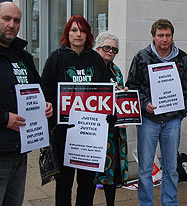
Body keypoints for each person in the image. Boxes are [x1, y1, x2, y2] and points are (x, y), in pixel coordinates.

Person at [41, 15, 113, 206]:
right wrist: (48, 105)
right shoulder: (56, 57)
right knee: (64, 183)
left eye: (81, 30)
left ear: (88, 33)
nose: (78, 34)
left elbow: (105, 91)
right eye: (74, 30)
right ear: (67, 33)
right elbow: (45, 90)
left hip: (89, 133)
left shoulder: (96, 59)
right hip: (64, 132)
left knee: (87, 183)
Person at [0, 2, 53, 206]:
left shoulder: (23, 56)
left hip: (21, 150)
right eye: (6, 19)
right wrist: (4, 117)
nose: (12, 25)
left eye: (16, 20)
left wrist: (46, 104)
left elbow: (38, 88)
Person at [126, 18, 187, 206]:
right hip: (148, 119)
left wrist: (180, 113)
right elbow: (131, 86)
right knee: (146, 168)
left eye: (168, 35)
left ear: (172, 36)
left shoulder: (183, 58)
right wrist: (144, 103)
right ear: (153, 37)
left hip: (173, 121)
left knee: (171, 168)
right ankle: (145, 203)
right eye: (160, 35)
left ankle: (170, 203)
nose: (164, 39)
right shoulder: (141, 57)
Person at [93, 31, 128, 206]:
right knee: (90, 175)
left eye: (114, 49)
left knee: (112, 172)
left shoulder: (116, 71)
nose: (110, 51)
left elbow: (120, 97)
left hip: (113, 132)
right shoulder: (89, 69)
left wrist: (125, 95)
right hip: (93, 130)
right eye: (107, 47)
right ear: (97, 48)